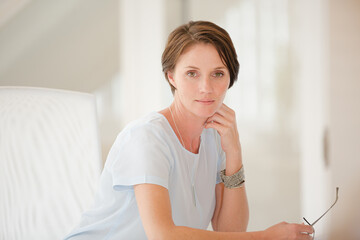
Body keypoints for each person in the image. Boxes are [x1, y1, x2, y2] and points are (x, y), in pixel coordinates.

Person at [64, 20, 314, 240]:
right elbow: (163, 236)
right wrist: (265, 237)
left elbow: (230, 232)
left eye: (217, 73)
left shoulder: (215, 138)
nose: (206, 87)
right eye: (192, 74)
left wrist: (234, 152)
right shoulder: (147, 138)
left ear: (230, 78)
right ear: (171, 76)